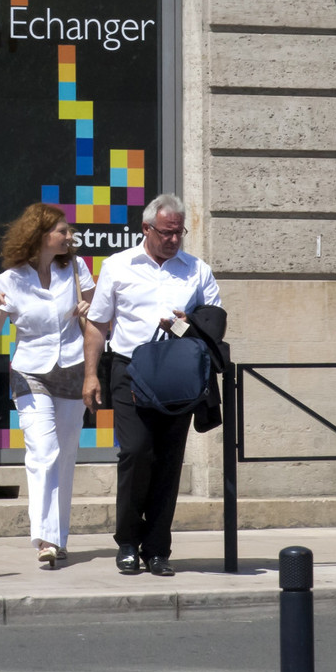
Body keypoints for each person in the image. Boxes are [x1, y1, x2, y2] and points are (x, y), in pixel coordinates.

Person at [83, 194, 220, 578]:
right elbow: (97, 324)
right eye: (166, 232)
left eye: (179, 232)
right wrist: (91, 375)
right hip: (130, 368)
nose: (174, 239)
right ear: (146, 229)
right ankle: (127, 541)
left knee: (169, 460)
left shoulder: (197, 270)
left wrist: (188, 322)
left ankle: (157, 548)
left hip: (178, 373)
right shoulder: (118, 266)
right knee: (137, 452)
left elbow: (215, 326)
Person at [0, 203, 96, 570]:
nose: (68, 237)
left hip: (74, 367)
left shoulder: (76, 268)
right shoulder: (11, 279)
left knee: (64, 455)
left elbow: (97, 318)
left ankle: (58, 538)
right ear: (41, 235)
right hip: (31, 371)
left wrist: (85, 310)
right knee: (43, 451)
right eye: (62, 231)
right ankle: (45, 538)